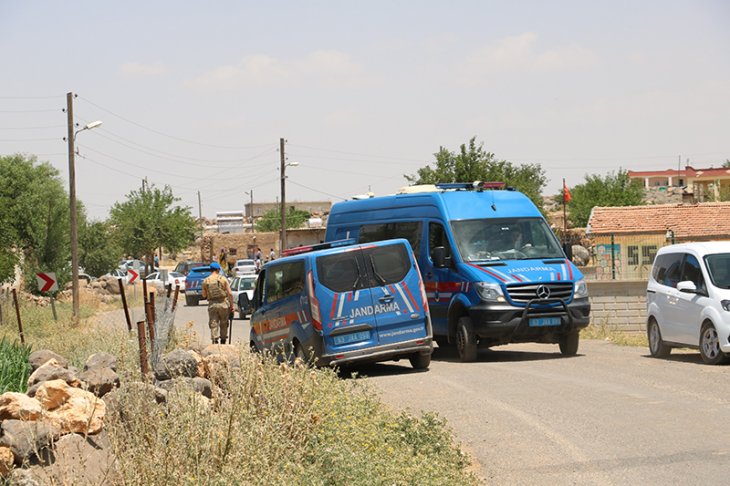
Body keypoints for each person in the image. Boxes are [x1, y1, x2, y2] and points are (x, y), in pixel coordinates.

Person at [202, 262, 234, 344]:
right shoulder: (223, 279)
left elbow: (204, 295)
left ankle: (215, 341)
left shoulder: (206, 281)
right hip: (223, 303)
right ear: (218, 269)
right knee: (224, 323)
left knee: (213, 323)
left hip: (212, 304)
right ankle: (223, 341)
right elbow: (230, 293)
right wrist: (232, 306)